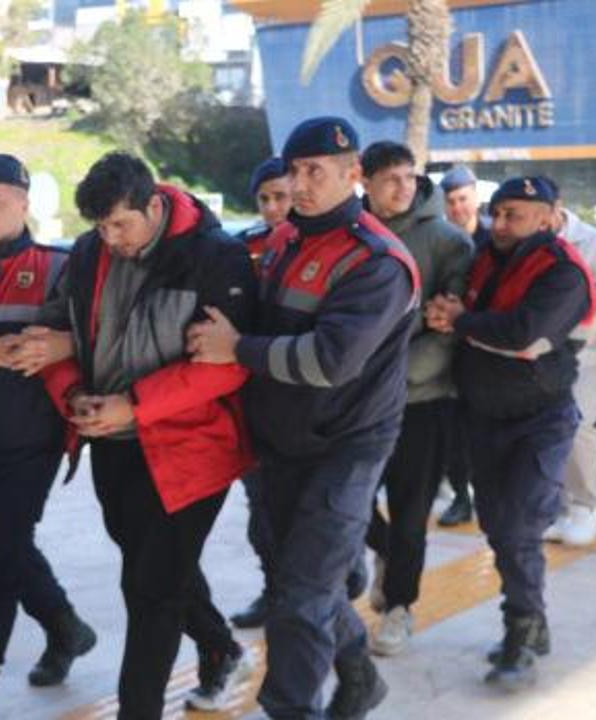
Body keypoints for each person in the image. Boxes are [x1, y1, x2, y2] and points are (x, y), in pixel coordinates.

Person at [1, 152, 258, 716]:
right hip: (112, 445)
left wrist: (134, 406)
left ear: (154, 205)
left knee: (150, 592)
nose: (110, 239)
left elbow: (227, 366)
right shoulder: (88, 253)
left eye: (121, 224)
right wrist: (73, 394)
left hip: (192, 449)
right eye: (100, 227)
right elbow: (57, 337)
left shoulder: (215, 257)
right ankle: (219, 647)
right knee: (151, 566)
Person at [188, 117, 419, 719]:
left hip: (347, 444)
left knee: (300, 599)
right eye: (293, 171)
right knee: (297, 578)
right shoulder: (285, 239)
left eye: (315, 171)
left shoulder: (378, 261)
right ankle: (359, 677)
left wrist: (237, 348)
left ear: (353, 173)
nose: (300, 184)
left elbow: (330, 360)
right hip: (280, 440)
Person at [427, 176, 595, 689]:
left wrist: (462, 321)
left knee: (520, 525)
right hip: (482, 416)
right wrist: (452, 315)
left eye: (513, 215)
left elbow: (525, 336)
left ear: (547, 217)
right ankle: (531, 620)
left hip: (540, 420)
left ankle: (519, 632)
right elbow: (460, 310)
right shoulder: (483, 258)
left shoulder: (563, 272)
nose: (499, 224)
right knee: (500, 528)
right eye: (496, 213)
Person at [0, 154, 96, 686]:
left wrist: (66, 344)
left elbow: (101, 334)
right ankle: (64, 625)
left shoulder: (59, 269)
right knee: (4, 545)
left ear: (23, 204)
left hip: (29, 444)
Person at [359, 141, 473, 656]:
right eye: (390, 179)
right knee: (349, 502)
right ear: (364, 181)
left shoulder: (449, 242)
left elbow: (449, 331)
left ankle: (400, 606)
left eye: (409, 176)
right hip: (354, 401)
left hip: (422, 399)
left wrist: (388, 379)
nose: (402, 187)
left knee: (411, 511)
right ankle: (384, 551)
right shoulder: (351, 232)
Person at [542, 182, 596, 546]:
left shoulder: (592, 242)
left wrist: (577, 333)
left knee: (578, 424)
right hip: (542, 352)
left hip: (586, 353)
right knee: (547, 429)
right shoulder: (528, 239)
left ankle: (584, 506)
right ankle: (556, 508)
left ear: (557, 207)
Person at [227, 155, 291, 631]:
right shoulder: (241, 247)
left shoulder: (318, 246)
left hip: (303, 396)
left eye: (280, 197)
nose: (272, 208)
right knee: (261, 510)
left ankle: (344, 571)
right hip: (251, 396)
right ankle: (275, 591)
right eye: (264, 199)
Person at [437, 164, 489, 527]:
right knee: (453, 432)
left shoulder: (495, 238)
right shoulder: (442, 241)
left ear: (476, 197)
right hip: (448, 348)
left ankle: (487, 494)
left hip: (486, 346)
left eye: (463, 199)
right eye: (451, 201)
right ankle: (460, 496)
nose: (458, 207)